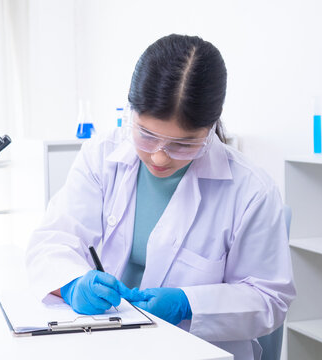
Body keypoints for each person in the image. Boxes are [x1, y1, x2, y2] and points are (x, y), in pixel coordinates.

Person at [26, 34, 295, 360]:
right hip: (107, 342)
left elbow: (269, 299)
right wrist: (71, 284)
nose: (159, 157)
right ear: (132, 112)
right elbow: (54, 240)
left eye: (183, 144)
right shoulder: (101, 155)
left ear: (210, 126)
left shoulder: (252, 191)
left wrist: (189, 304)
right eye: (147, 135)